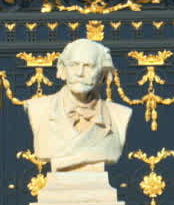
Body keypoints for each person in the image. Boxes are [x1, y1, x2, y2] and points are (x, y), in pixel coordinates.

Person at [25, 38, 132, 171]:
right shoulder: (39, 109)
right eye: (74, 65)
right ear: (63, 70)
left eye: (89, 66)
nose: (80, 73)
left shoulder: (119, 115)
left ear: (102, 74)